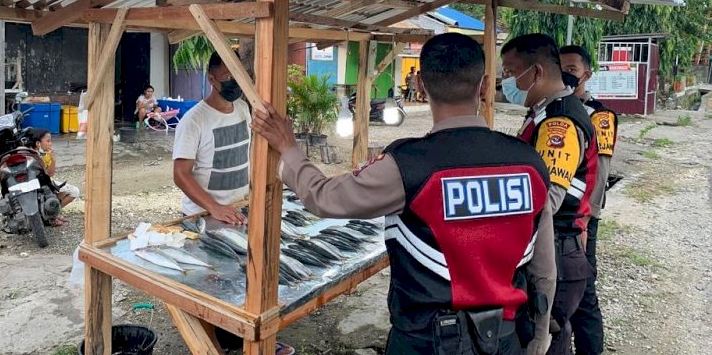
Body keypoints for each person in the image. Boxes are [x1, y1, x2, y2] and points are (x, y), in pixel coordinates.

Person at [253, 33, 556, 355]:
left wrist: (288, 148)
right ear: (483, 85)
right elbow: (545, 269)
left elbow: (323, 197)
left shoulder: (408, 166)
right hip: (504, 339)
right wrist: (539, 336)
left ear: (422, 85)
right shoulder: (530, 164)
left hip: (427, 341)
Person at [172, 51, 295, 355]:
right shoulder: (194, 121)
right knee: (210, 284)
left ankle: (238, 338)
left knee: (241, 276)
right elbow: (180, 174)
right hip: (202, 215)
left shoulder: (242, 109)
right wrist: (213, 207)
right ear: (211, 79)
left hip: (239, 209)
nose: (232, 83)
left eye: (236, 76)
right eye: (226, 77)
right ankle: (213, 345)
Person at [500, 34, 598, 355]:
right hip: (548, 245)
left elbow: (548, 200)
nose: (507, 81)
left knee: (545, 336)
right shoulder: (544, 111)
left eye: (511, 72)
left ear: (537, 73)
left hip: (554, 249)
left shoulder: (561, 122)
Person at [560, 46, 618, 355]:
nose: (566, 73)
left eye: (571, 67)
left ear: (587, 74)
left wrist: (585, 221)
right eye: (560, 67)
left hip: (582, 219)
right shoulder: (555, 109)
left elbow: (601, 171)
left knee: (584, 294)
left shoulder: (600, 115)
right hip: (561, 217)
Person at [26, 128, 80, 226]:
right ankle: (51, 217)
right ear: (38, 143)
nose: (50, 144)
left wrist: (53, 159)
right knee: (72, 191)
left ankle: (53, 213)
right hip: (35, 184)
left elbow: (50, 174)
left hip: (46, 182)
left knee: (73, 191)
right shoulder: (29, 154)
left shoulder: (45, 155)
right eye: (48, 141)